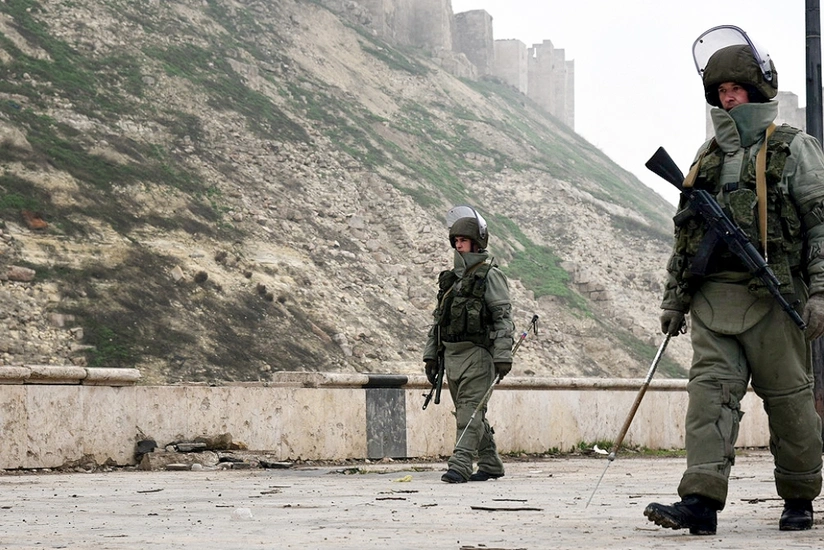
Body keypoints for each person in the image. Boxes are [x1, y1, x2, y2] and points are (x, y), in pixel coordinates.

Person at [644, 25, 824, 535]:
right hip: (713, 301)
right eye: (720, 91)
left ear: (758, 92)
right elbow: (685, 238)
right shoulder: (705, 158)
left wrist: (820, 293)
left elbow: (820, 226)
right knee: (708, 400)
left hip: (775, 297)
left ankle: (798, 497)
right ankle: (700, 502)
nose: (728, 98)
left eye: (736, 90)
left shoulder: (794, 149)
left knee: (790, 404)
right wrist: (674, 300)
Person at [422, 205, 514, 483]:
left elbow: (503, 318)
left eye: (462, 240)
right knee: (470, 412)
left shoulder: (489, 275)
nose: (457, 245)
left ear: (476, 242)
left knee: (469, 412)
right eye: (456, 241)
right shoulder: (452, 280)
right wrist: (431, 356)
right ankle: (491, 463)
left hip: (478, 356)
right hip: (452, 356)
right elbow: (439, 322)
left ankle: (460, 465)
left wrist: (503, 355)